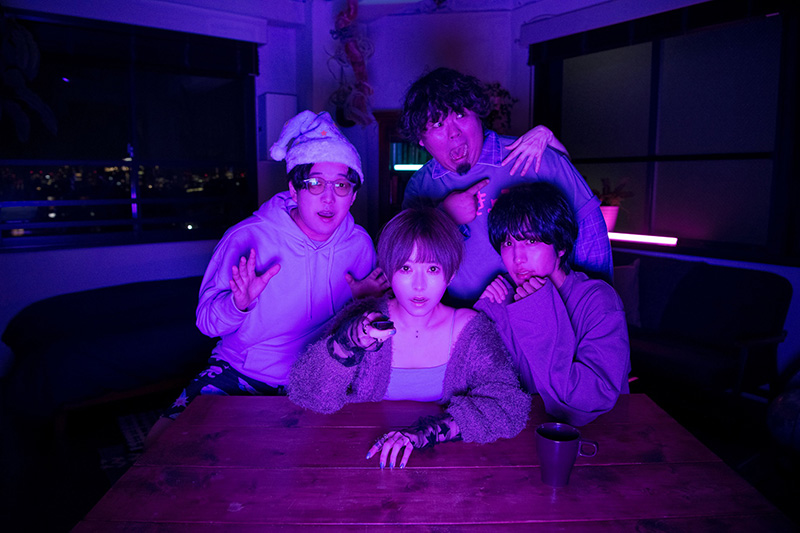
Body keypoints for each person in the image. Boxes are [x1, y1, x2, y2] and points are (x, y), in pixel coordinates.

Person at [146, 111, 387, 445]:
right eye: (315, 183)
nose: (328, 198)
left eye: (341, 185)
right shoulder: (248, 237)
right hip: (242, 371)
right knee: (160, 443)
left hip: (317, 376)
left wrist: (362, 301)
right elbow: (207, 324)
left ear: (353, 194)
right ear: (294, 189)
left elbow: (366, 329)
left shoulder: (358, 244)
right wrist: (238, 304)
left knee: (330, 458)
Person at [289, 207, 530, 469]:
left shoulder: (468, 328)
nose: (419, 285)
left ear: (450, 274)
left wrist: (424, 433)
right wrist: (349, 342)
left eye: (432, 269)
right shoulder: (363, 317)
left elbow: (510, 406)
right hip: (358, 460)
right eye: (406, 268)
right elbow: (307, 395)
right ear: (388, 271)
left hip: (448, 467)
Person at [399, 67, 612, 306]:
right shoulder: (420, 186)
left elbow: (590, 234)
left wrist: (593, 308)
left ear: (478, 114)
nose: (454, 133)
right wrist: (443, 216)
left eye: (460, 115)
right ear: (420, 139)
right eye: (437, 124)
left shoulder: (533, 157)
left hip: (547, 314)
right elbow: (405, 265)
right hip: (463, 319)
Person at [475, 182, 630, 426]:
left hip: (601, 434)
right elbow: (482, 383)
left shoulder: (598, 300)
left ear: (561, 247)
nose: (517, 258)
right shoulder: (502, 296)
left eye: (531, 242)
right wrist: (484, 310)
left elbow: (588, 401)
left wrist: (536, 309)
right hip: (522, 431)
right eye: (508, 243)